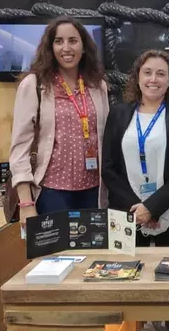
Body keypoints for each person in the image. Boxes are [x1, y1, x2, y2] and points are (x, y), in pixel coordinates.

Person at [9, 15, 110, 227]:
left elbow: (106, 138)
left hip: (93, 191)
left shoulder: (97, 85)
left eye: (73, 41)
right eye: (59, 41)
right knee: (55, 249)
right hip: (51, 192)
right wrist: (26, 202)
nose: (66, 48)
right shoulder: (34, 84)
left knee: (92, 248)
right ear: (50, 47)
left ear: (84, 47)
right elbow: (20, 148)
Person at [101, 49, 169, 248]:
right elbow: (109, 169)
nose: (153, 79)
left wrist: (153, 207)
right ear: (137, 77)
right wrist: (140, 210)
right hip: (129, 214)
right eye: (147, 72)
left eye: (161, 74)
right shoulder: (118, 114)